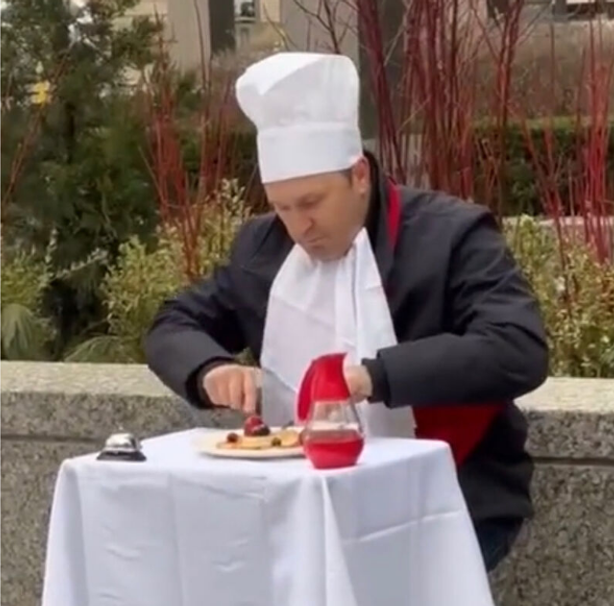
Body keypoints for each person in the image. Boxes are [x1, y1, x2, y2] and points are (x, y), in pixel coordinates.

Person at [143, 52, 549, 573]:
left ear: (359, 174)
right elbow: (173, 322)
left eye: (312, 202)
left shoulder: (452, 234)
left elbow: (518, 347)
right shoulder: (262, 248)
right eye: (282, 207)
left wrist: (371, 376)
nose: (299, 227)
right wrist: (210, 370)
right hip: (295, 495)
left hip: (457, 492)